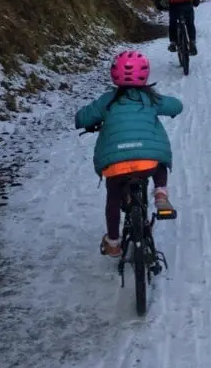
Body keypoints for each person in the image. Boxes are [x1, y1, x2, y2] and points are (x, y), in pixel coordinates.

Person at [74, 50, 183, 258]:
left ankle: (113, 243)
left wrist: (90, 121)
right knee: (158, 161)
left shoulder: (107, 100)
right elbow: (177, 105)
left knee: (113, 197)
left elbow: (81, 118)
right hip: (147, 162)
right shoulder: (150, 99)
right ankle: (160, 192)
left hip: (116, 163)